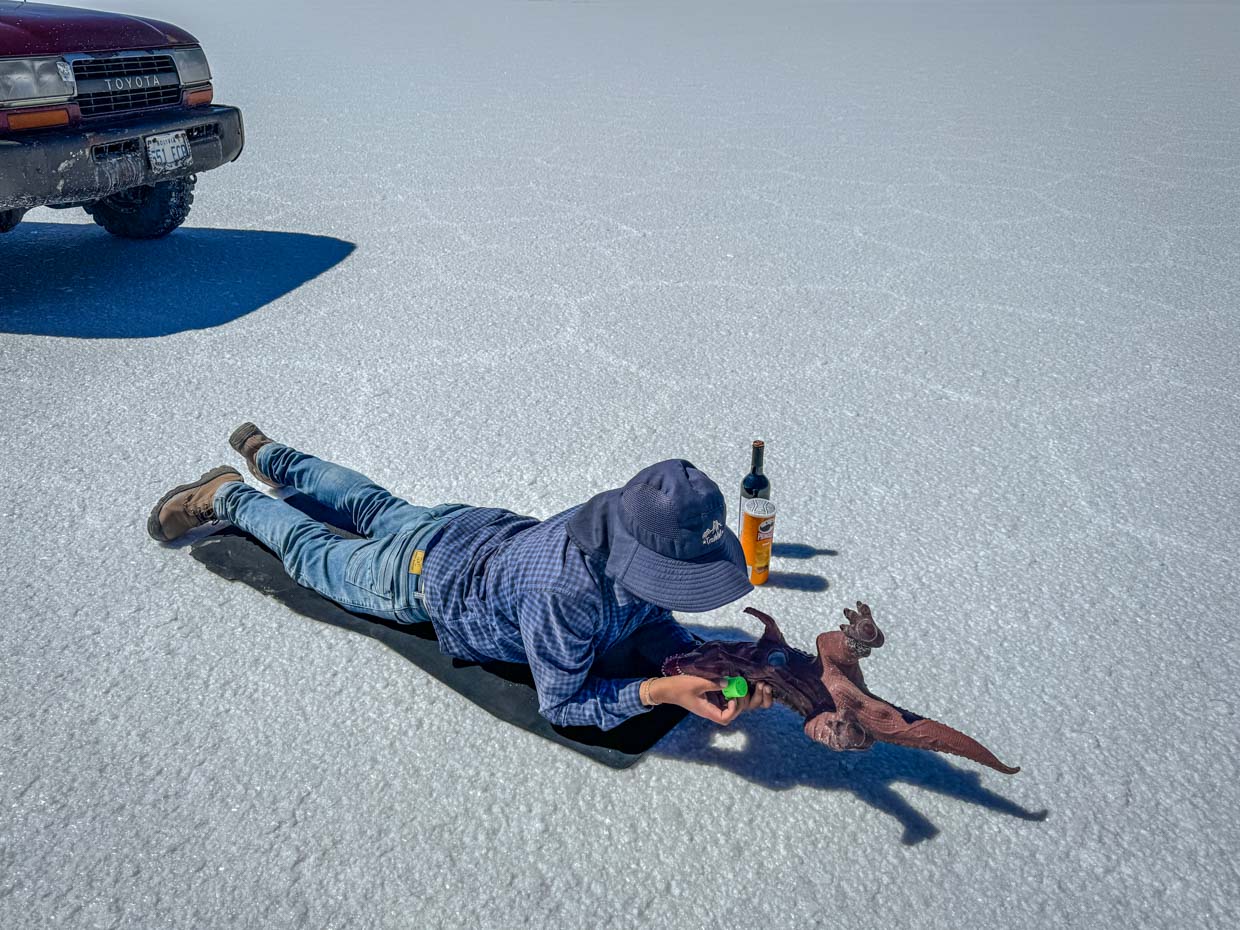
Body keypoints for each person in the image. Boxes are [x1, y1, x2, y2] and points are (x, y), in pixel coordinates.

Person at [147, 423, 775, 730]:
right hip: (415, 579)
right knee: (313, 552)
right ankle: (226, 495)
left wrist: (688, 655)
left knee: (373, 505)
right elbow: (563, 704)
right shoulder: (565, 597)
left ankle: (271, 454)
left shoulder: (620, 516)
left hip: (466, 527)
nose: (674, 590)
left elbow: (649, 611)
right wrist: (656, 692)